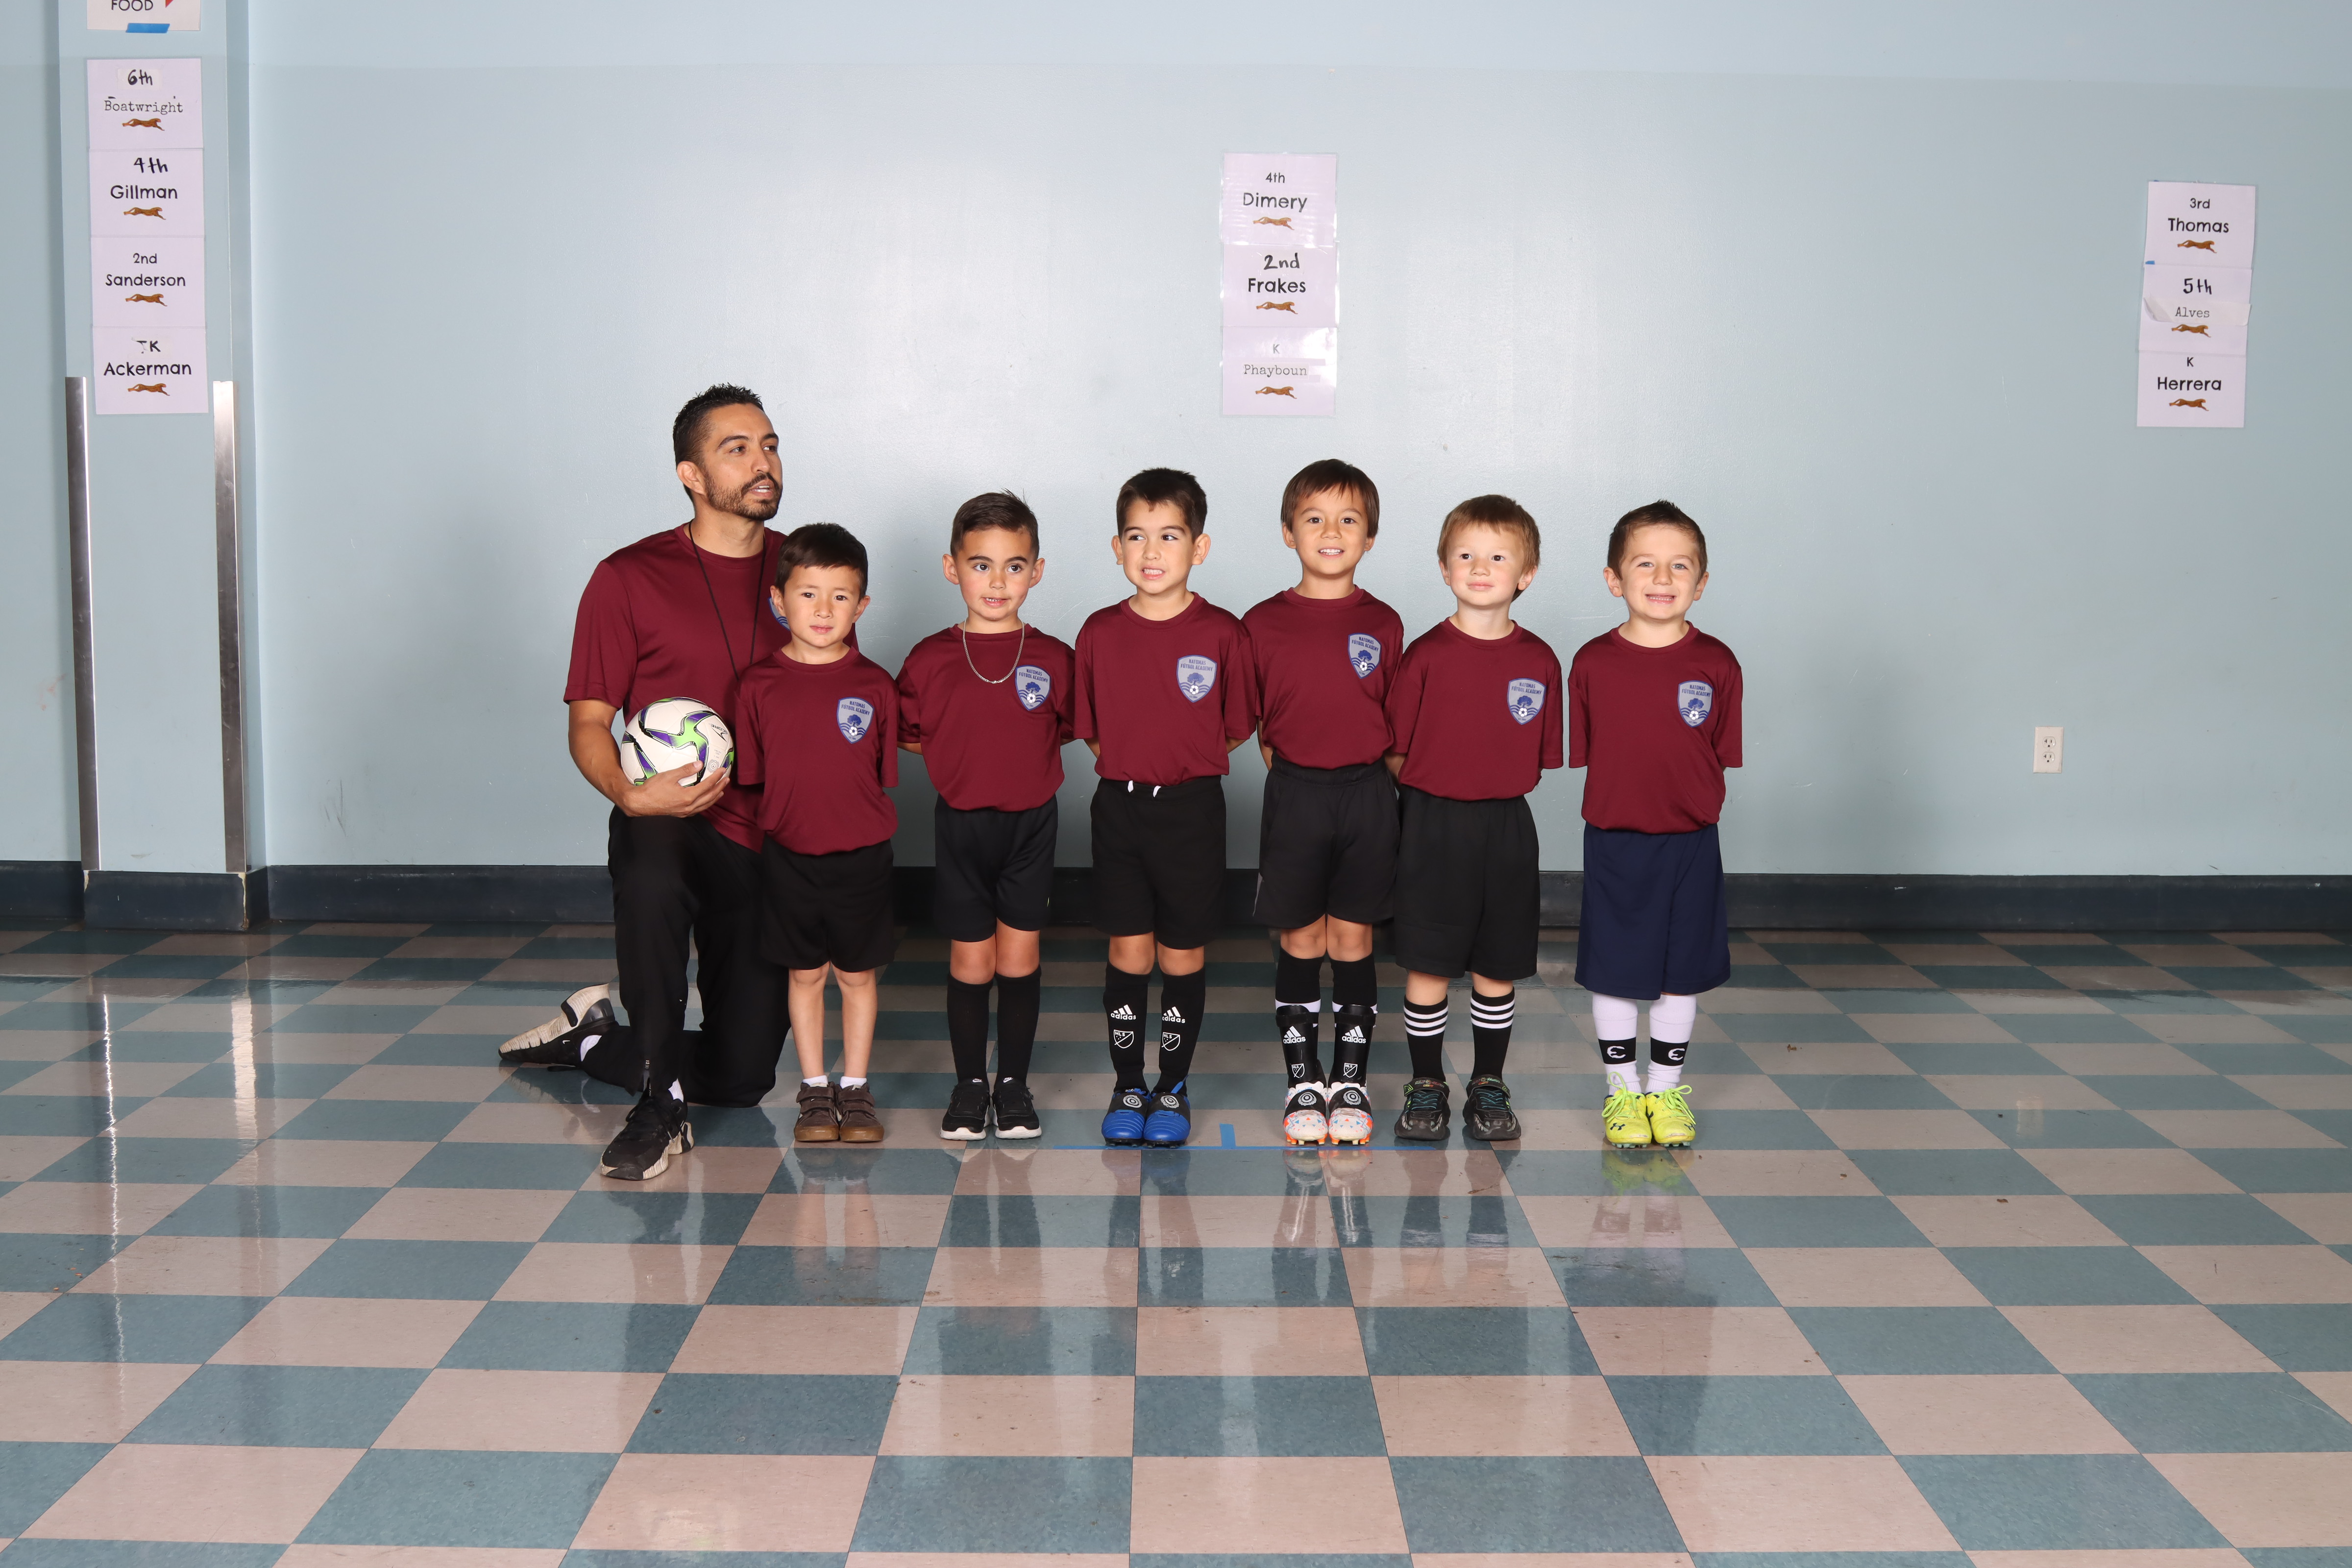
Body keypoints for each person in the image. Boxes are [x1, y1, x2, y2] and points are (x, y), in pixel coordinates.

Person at [501, 385, 793, 1182]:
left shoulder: (803, 573)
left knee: (741, 1078)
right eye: (738, 449)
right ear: (691, 475)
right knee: (653, 867)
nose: (763, 462)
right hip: (667, 814)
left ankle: (593, 1037)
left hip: (765, 835)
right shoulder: (627, 578)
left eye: (770, 445)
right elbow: (590, 723)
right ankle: (658, 1106)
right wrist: (632, 797)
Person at [1071, 468, 1257, 1147]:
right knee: (1128, 948)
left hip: (1193, 811)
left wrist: (1180, 762)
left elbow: (1234, 727)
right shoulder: (1099, 632)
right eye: (1136, 536)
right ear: (1116, 547)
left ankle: (1173, 1087)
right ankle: (1128, 1085)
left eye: (1170, 536)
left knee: (1181, 952)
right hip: (1119, 811)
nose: (1151, 551)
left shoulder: (1224, 633)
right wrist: (1137, 762)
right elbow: (1093, 729)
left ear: (1198, 548)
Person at [1382, 494, 1564, 1143]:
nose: (1480, 568)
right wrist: (1441, 791)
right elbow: (1396, 750)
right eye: (1466, 555)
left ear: (1527, 573)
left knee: (1496, 965)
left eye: (1497, 557)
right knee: (1429, 963)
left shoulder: (1539, 661)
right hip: (1431, 825)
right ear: (1444, 567)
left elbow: (1539, 757)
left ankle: (1489, 1082)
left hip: (1506, 829)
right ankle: (1427, 1082)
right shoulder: (1425, 655)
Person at [897, 492, 1072, 1140]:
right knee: (971, 961)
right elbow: (911, 733)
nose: (997, 582)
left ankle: (1014, 1084)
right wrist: (960, 756)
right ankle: (971, 1084)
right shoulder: (928, 658)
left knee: (1019, 957)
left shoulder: (1054, 658)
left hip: (1031, 825)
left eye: (1014, 566)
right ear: (953, 568)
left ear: (1037, 571)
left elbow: (1064, 729)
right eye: (981, 565)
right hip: (961, 825)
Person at [1241, 459, 1403, 1147]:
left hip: (1367, 795)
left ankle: (1351, 1079)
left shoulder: (1385, 622)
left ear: (1369, 537)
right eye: (1314, 518)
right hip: (1297, 793)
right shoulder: (1261, 623)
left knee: (1354, 939)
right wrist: (1302, 779)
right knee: (1303, 938)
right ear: (1288, 532)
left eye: (1348, 520)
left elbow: (1393, 720)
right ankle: (1303, 1079)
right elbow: (1260, 725)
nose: (1331, 531)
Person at [1569, 500, 1740, 1150]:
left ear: (1702, 583)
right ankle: (1622, 1091)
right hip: (1615, 840)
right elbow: (1592, 748)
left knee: (1680, 972)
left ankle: (1665, 1092)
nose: (1663, 578)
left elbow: (1717, 751)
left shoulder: (1719, 663)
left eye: (1680, 566)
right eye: (1645, 564)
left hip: (1691, 841)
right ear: (1614, 579)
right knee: (1614, 969)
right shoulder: (1592, 662)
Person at [735, 522, 901, 1145]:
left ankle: (855, 1089)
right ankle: (814, 1089)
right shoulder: (757, 685)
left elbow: (879, 776)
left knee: (857, 976)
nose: (824, 609)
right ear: (779, 600)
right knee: (805, 975)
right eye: (808, 594)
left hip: (863, 857)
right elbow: (756, 778)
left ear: (861, 606)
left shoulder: (875, 685)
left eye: (840, 596)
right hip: (789, 857)